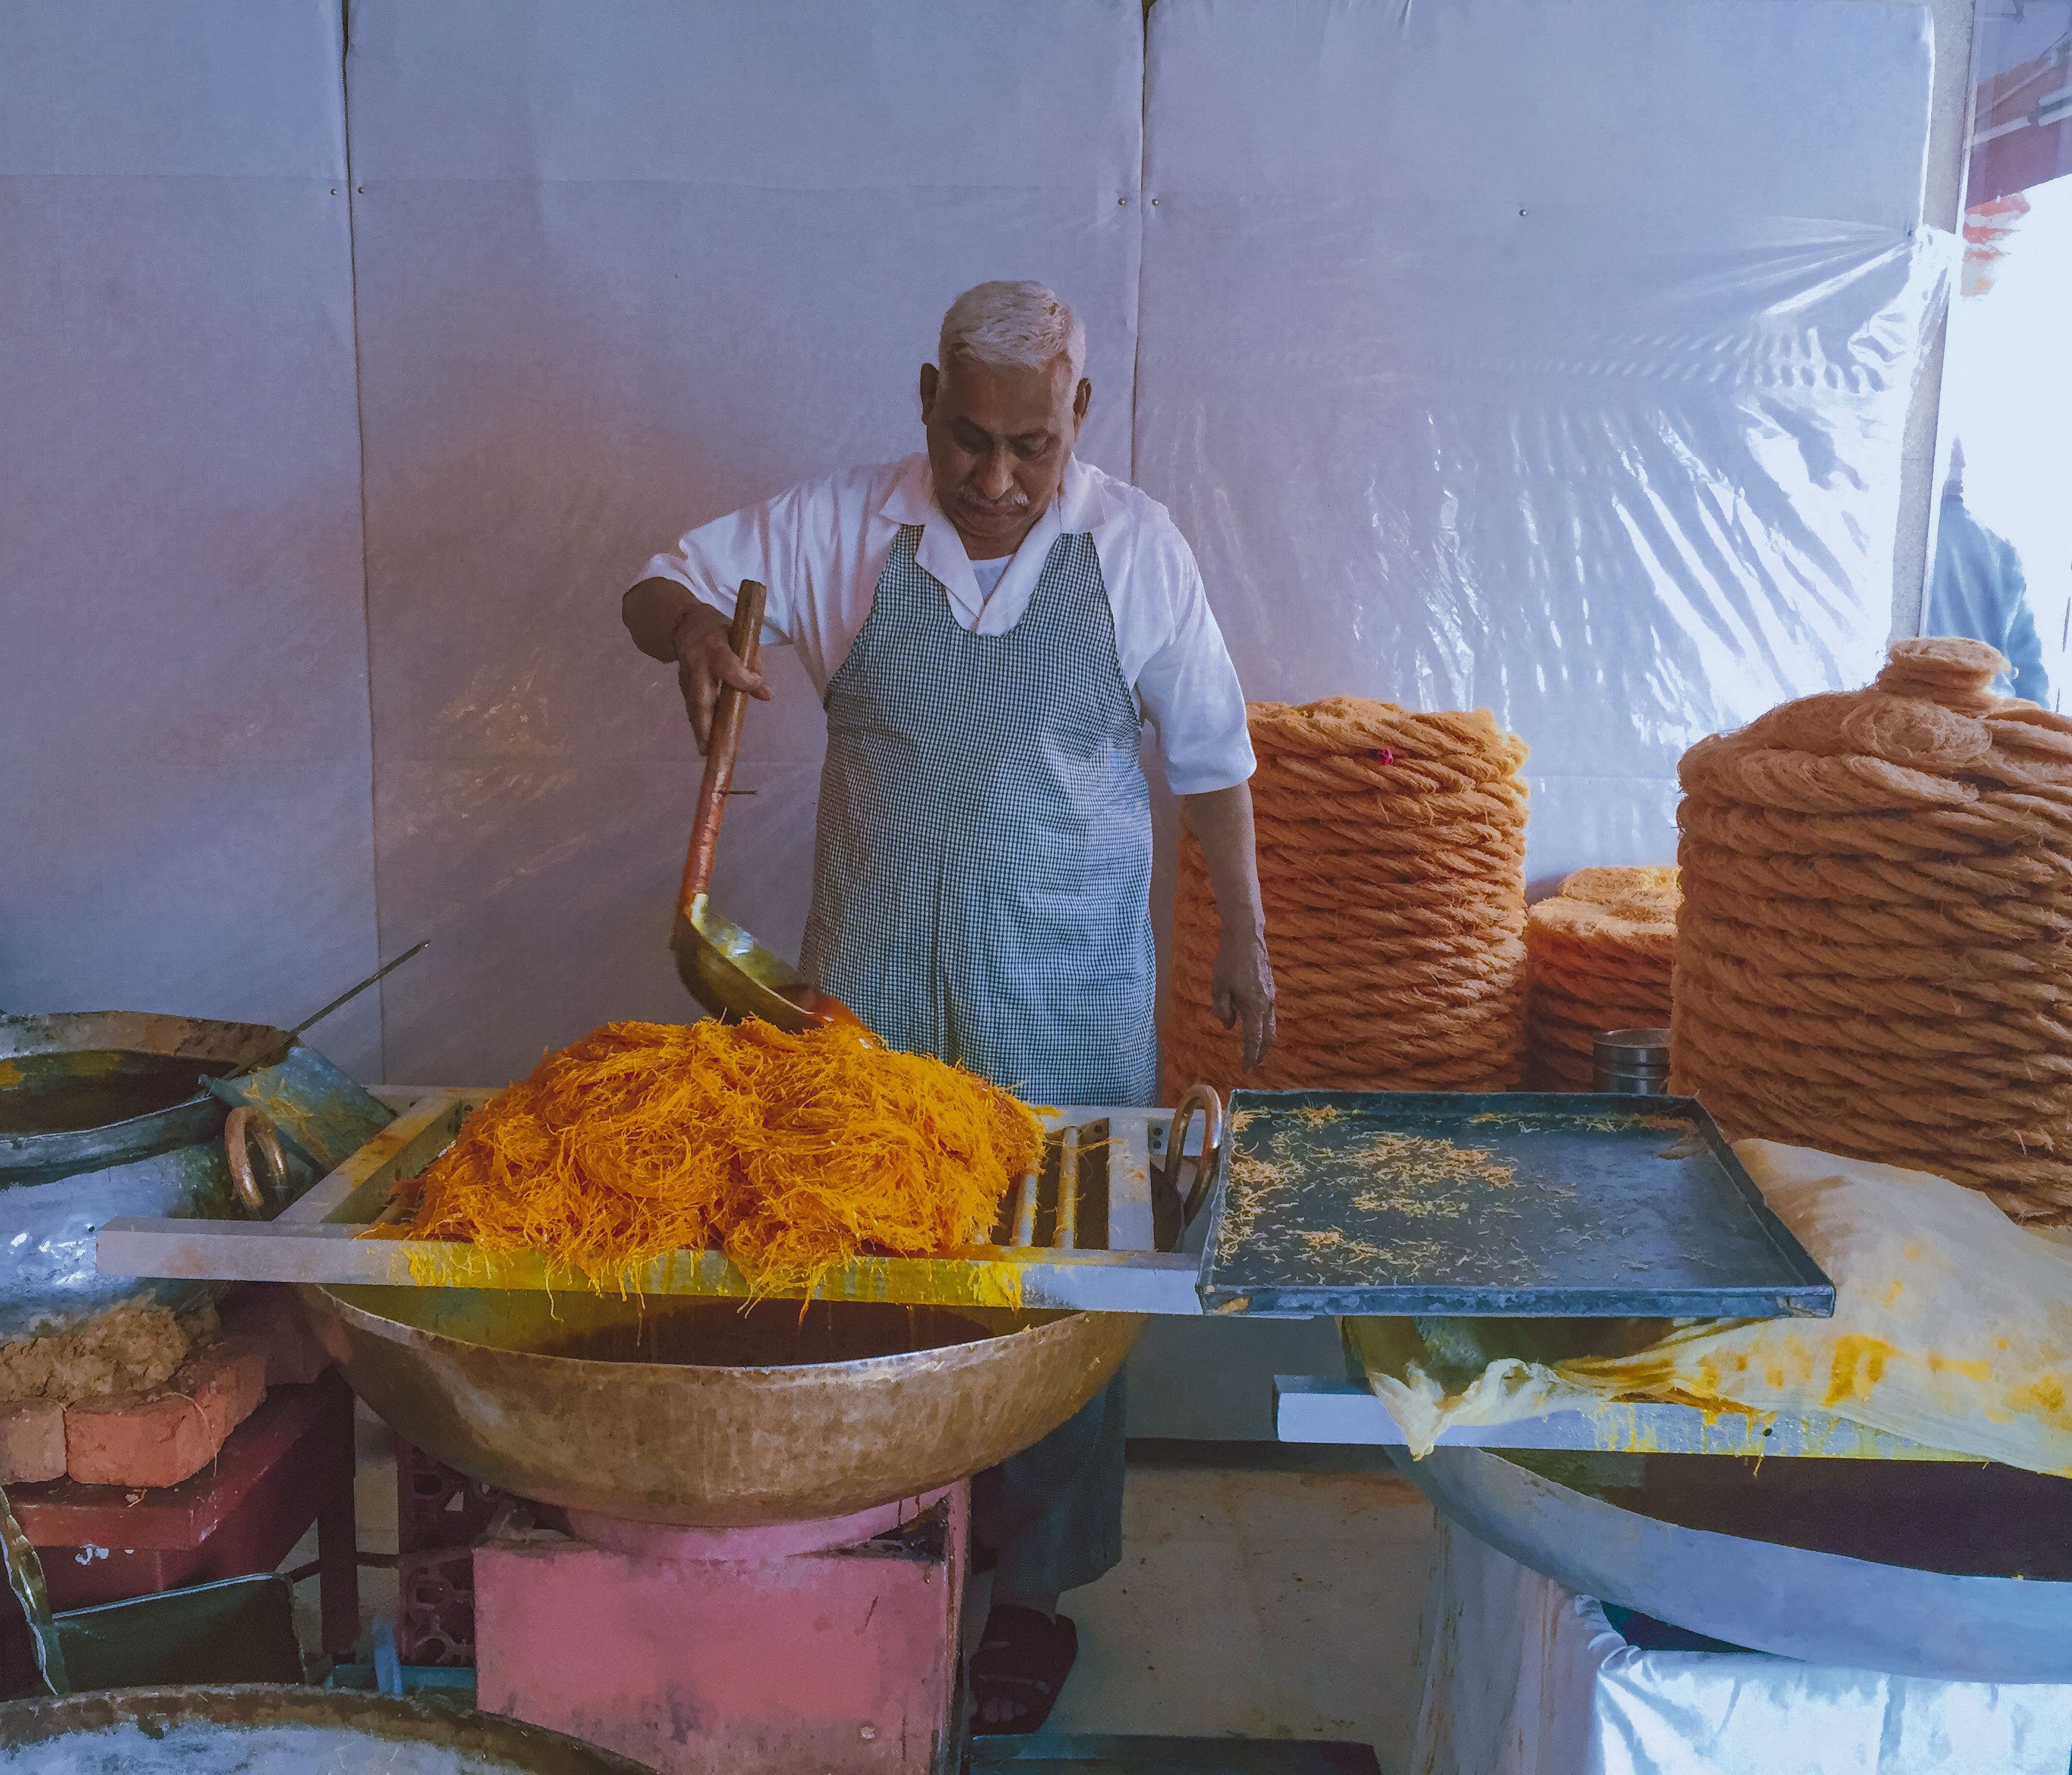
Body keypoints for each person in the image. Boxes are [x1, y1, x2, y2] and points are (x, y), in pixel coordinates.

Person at [623, 280, 1274, 1731]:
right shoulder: (844, 528)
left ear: (1077, 418)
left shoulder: (1134, 547)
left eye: (1029, 446)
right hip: (869, 994)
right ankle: (883, 1542)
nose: (993, 476)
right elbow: (657, 578)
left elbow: (1213, 756)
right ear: (926, 401)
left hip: (1066, 991)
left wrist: (1244, 935)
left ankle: (1030, 1596)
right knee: (869, 1272)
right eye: (968, 438)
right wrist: (693, 634)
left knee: (1057, 1292)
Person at [1926, 439, 2050, 704]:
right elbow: (2028, 658)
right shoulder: (2000, 549)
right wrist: (2041, 720)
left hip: (1921, 703)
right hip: (1991, 707)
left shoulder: (1909, 539)